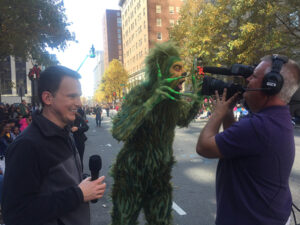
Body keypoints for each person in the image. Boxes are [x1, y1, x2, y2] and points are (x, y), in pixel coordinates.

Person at [196, 55, 300, 225]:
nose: (248, 80)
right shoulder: (276, 118)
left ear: (270, 85)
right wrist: (228, 112)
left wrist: (218, 113)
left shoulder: (259, 126)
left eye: (254, 76)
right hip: (269, 215)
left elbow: (204, 147)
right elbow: (234, 146)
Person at [2, 65, 106, 225]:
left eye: (79, 96)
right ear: (48, 98)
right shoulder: (26, 146)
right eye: (72, 96)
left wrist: (85, 183)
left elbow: (58, 183)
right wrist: (79, 194)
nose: (79, 103)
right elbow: (17, 214)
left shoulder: (65, 133)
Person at [111, 42, 202, 225]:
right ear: (161, 70)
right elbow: (119, 131)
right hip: (131, 174)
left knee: (161, 221)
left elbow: (183, 119)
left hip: (160, 176)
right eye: (177, 68)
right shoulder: (140, 92)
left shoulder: (173, 100)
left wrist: (198, 96)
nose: (183, 73)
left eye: (183, 68)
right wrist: (152, 101)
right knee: (124, 222)